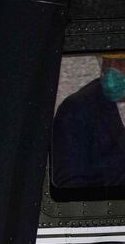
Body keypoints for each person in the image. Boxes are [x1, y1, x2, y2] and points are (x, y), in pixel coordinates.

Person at [52, 53, 125, 188]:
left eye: (121, 63)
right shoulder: (77, 109)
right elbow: (69, 184)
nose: (111, 71)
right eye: (107, 63)